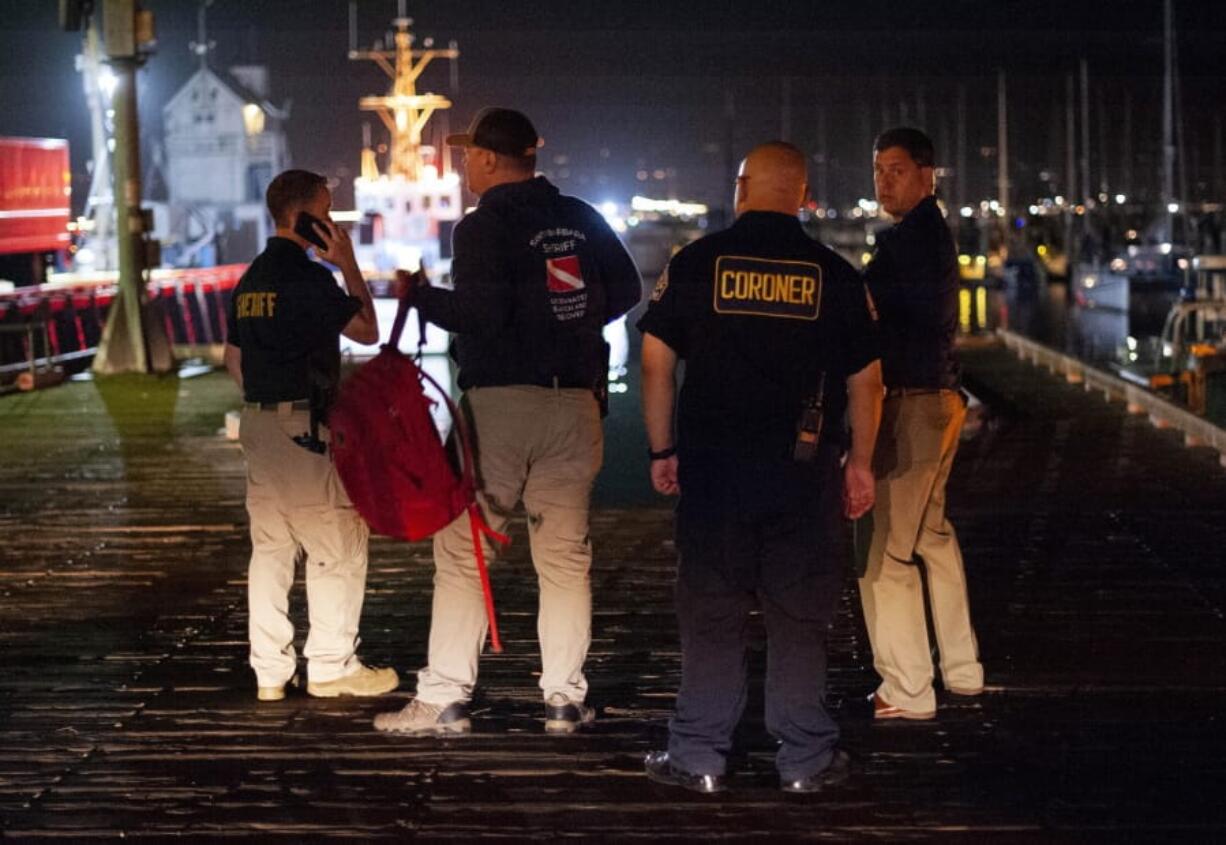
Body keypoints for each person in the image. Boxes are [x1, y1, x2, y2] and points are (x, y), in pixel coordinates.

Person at [373, 108, 642, 736]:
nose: (465, 164)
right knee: (565, 560)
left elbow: (480, 317)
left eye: (469, 155)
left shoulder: (483, 227)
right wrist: (568, 319)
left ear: (491, 160)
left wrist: (418, 293)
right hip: (575, 405)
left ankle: (443, 698)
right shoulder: (578, 216)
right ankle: (563, 701)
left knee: (465, 554)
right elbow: (626, 289)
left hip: (500, 408)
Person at [637, 141, 883, 794]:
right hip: (803, 480)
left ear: (742, 188)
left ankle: (700, 754)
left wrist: (663, 449)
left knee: (712, 614)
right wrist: (859, 463)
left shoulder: (696, 264)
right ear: (803, 195)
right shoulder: (836, 274)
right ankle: (804, 760)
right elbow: (868, 384)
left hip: (715, 476)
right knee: (799, 619)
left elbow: (657, 362)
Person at [224, 169, 399, 702]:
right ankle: (330, 665)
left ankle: (270, 672)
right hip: (302, 425)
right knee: (335, 543)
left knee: (271, 550)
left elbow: (234, 358)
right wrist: (346, 264)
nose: (332, 220)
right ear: (303, 216)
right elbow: (369, 330)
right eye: (326, 211)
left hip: (258, 420)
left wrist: (266, 401)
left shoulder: (251, 278)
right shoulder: (310, 279)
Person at [857, 127, 985, 721]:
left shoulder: (911, 242)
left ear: (928, 174)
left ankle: (908, 689)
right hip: (942, 396)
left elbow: (877, 317)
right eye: (879, 169)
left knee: (885, 556)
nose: (885, 180)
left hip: (911, 402)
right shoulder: (926, 236)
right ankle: (961, 670)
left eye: (898, 169)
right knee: (932, 537)